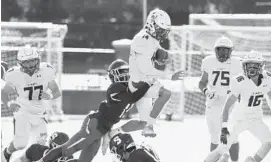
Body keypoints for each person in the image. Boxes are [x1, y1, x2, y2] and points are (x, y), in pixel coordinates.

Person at [36, 59, 154, 162]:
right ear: (114, 75)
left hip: (103, 128)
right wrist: (148, 83)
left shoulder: (128, 88)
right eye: (123, 71)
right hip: (95, 125)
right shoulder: (115, 88)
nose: (126, 74)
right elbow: (133, 97)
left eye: (127, 71)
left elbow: (136, 96)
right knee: (68, 148)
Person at [204, 51, 271, 162]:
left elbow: (270, 96)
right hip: (238, 120)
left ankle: (253, 160)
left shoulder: (267, 79)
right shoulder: (239, 81)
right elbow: (227, 107)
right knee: (222, 148)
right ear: (244, 66)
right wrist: (225, 127)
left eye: (255, 65)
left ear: (261, 66)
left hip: (256, 119)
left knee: (268, 141)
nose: (252, 68)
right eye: (249, 65)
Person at [128, 8, 184, 138]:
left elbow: (155, 49)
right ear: (151, 24)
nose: (162, 34)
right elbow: (146, 69)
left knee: (142, 123)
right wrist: (170, 76)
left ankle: (119, 132)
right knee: (165, 93)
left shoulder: (150, 38)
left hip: (145, 81)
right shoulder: (142, 39)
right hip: (138, 83)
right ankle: (148, 125)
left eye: (164, 31)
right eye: (160, 30)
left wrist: (162, 54)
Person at [2, 46, 62, 162]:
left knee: (38, 148)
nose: (31, 65)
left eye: (33, 61)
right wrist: (10, 104)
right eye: (27, 62)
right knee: (20, 143)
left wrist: (49, 95)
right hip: (23, 113)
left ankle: (21, 160)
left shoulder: (46, 70)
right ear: (20, 63)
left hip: (40, 115)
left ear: (38, 59)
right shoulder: (14, 74)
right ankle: (7, 152)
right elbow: (4, 93)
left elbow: (56, 92)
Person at [198, 36, 243, 162]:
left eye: (226, 50)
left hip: (231, 104)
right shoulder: (208, 61)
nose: (223, 53)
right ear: (215, 50)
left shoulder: (238, 63)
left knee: (233, 136)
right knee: (215, 137)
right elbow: (202, 83)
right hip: (214, 103)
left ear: (231, 51)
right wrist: (207, 91)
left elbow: (245, 81)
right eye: (220, 50)